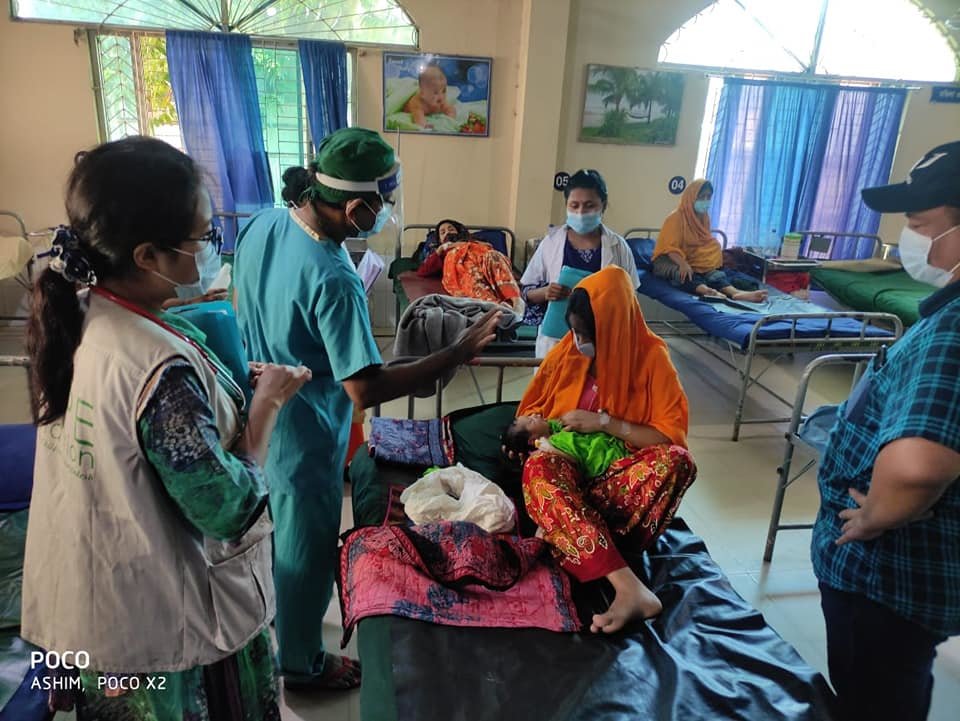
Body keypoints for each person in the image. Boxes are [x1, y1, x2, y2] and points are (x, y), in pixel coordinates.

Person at [21, 136, 311, 720]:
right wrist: (268, 404)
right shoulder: (159, 370)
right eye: (203, 237)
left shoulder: (79, 310)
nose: (211, 247)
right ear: (148, 256)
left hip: (96, 602)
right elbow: (228, 507)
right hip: (167, 630)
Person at [233, 127, 500, 691]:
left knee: (276, 532)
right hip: (305, 436)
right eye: (385, 202)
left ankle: (280, 619)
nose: (387, 214)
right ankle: (302, 664)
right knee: (305, 549)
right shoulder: (333, 276)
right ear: (357, 208)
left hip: (258, 413)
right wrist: (456, 352)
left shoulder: (263, 223)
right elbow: (363, 389)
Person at [811, 141, 960, 721]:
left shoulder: (951, 332)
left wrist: (875, 515)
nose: (907, 237)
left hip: (884, 578)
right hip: (902, 581)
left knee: (875, 700)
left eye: (919, 223)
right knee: (895, 688)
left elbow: (919, 466)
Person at [513, 266, 696, 632]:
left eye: (586, 334)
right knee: (538, 470)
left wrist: (605, 423)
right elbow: (531, 416)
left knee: (678, 463)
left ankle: (566, 533)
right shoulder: (568, 354)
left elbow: (667, 437)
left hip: (615, 482)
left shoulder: (653, 361)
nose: (579, 341)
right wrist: (537, 435)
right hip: (567, 473)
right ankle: (627, 585)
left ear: (615, 330)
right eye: (575, 331)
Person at [520, 169, 639, 357]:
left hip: (603, 339)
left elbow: (631, 296)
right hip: (556, 341)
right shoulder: (551, 243)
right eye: (574, 205)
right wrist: (545, 292)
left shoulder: (618, 247)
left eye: (589, 205)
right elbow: (525, 292)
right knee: (555, 376)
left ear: (603, 205)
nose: (581, 212)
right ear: (566, 205)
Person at [652, 179, 767, 303]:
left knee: (712, 272)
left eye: (708, 197)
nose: (705, 200)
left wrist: (706, 260)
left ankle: (735, 293)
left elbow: (704, 242)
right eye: (702, 197)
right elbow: (670, 248)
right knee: (683, 273)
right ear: (691, 197)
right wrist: (683, 264)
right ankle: (707, 291)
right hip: (669, 259)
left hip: (692, 258)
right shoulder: (675, 218)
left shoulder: (703, 217)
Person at [418, 218, 524, 313]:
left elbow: (488, 248)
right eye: (443, 232)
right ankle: (496, 306)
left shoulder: (475, 242)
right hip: (462, 269)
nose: (448, 232)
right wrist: (441, 249)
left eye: (451, 229)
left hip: (484, 261)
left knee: (494, 255)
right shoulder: (442, 252)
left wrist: (464, 244)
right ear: (439, 240)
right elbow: (423, 271)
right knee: (470, 274)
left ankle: (516, 301)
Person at [503, 414, 629, 480]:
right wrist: (549, 448)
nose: (535, 414)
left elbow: (557, 424)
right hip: (609, 463)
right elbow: (573, 460)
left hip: (615, 444)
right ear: (532, 440)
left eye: (530, 415)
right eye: (531, 420)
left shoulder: (554, 428)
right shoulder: (553, 446)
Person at [404, 63, 457, 129]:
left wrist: (450, 115)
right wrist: (425, 126)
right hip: (408, 108)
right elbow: (419, 120)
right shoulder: (418, 104)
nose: (441, 97)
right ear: (423, 93)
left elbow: (450, 109)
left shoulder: (440, 102)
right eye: (435, 93)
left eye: (444, 91)